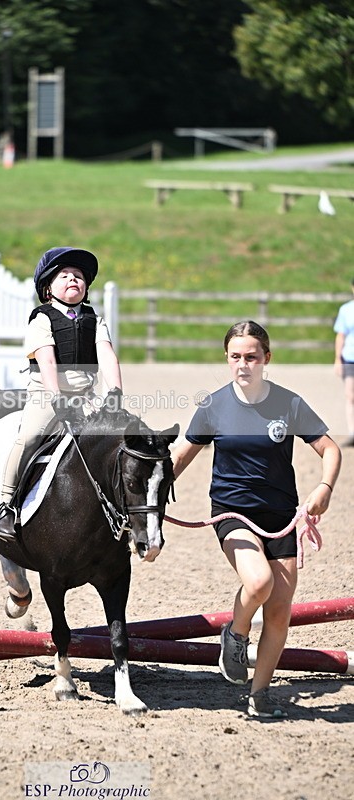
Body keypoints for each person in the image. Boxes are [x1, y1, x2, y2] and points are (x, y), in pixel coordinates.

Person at [172, 321, 341, 719]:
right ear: (227, 359)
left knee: (280, 610)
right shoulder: (213, 406)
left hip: (281, 515)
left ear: (267, 358)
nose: (243, 365)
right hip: (232, 513)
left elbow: (330, 449)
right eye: (235, 357)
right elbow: (179, 457)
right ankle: (235, 632)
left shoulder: (289, 404)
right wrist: (148, 497)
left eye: (251, 357)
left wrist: (325, 488)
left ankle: (259, 694)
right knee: (260, 582)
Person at [0, 246, 123, 541]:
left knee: (116, 438)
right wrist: (57, 397)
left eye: (78, 276)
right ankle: (5, 506)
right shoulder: (42, 319)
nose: (73, 279)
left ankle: (120, 505)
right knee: (30, 437)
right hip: (47, 395)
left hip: (85, 395)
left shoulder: (95, 320)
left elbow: (107, 356)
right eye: (64, 275)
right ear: (47, 289)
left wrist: (114, 392)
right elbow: (46, 360)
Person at [333, 277, 354, 447]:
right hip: (350, 358)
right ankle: (352, 432)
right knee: (350, 395)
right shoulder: (346, 310)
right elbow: (341, 335)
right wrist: (337, 358)